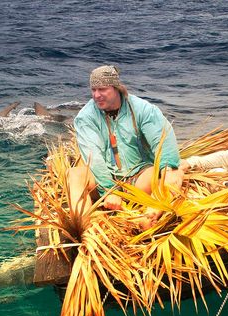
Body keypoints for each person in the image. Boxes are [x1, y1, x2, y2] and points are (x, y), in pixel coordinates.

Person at [68, 65, 183, 225]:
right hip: (105, 179)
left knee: (172, 172)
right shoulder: (85, 117)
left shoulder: (143, 110)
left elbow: (164, 144)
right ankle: (86, 229)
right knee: (75, 175)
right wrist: (110, 191)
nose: (96, 95)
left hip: (139, 177)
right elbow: (93, 157)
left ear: (116, 88)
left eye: (102, 89)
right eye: (93, 90)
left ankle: (151, 213)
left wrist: (168, 171)